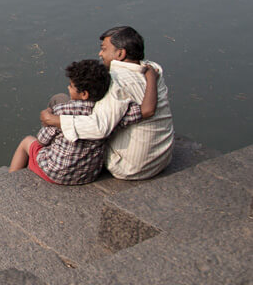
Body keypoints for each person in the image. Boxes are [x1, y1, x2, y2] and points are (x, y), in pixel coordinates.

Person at [42, 26, 174, 180]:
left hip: (130, 165)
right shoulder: (152, 68)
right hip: (161, 158)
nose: (100, 54)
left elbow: (99, 128)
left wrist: (53, 120)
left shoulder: (116, 79)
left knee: (60, 103)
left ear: (120, 53)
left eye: (104, 49)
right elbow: (147, 110)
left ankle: (55, 154)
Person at [10, 59, 158, 185]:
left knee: (27, 141)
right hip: (88, 175)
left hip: (57, 172)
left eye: (71, 86)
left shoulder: (61, 112)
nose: (68, 87)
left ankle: (10, 181)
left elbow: (42, 139)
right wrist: (151, 78)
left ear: (84, 94)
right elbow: (143, 111)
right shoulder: (112, 114)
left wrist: (50, 120)